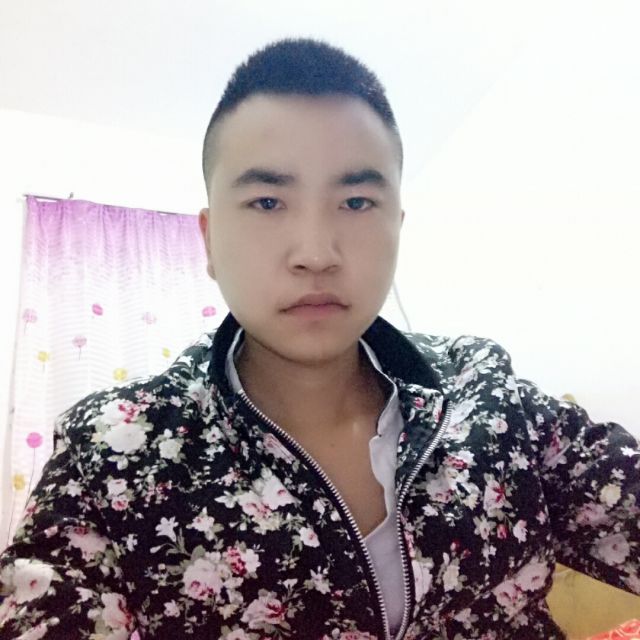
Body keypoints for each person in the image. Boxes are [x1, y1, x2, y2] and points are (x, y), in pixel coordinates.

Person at [0, 37, 638, 640]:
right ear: (209, 240)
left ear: (396, 227)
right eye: (267, 202)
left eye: (356, 202)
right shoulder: (111, 452)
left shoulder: (489, 398)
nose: (315, 253)